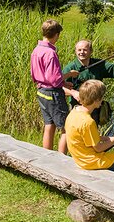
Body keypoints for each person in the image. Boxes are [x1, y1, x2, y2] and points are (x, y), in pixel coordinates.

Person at [65, 79, 114, 180]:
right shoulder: (88, 121)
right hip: (90, 161)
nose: (103, 100)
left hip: (80, 159)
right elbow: (98, 148)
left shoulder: (73, 112)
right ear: (96, 100)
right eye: (102, 98)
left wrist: (109, 138)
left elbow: (83, 137)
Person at [30, 19, 79, 154]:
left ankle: (47, 156)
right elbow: (54, 78)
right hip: (53, 95)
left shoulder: (36, 50)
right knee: (66, 128)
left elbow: (38, 75)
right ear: (56, 34)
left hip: (41, 92)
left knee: (49, 125)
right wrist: (69, 74)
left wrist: (63, 83)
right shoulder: (50, 53)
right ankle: (60, 159)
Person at [62, 40, 114, 126]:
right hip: (77, 108)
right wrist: (73, 93)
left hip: (95, 107)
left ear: (91, 51)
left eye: (85, 50)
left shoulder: (99, 64)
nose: (81, 52)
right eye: (79, 50)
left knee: (93, 131)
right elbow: (60, 87)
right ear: (75, 51)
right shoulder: (70, 68)